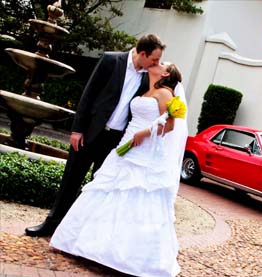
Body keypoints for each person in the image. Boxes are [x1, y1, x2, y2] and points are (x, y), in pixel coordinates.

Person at [50, 63, 187, 277]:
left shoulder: (165, 93)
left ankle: (125, 256)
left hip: (144, 149)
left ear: (166, 74)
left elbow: (170, 127)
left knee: (133, 192)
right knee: (108, 188)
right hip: (127, 142)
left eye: (162, 64)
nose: (158, 63)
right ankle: (89, 244)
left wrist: (145, 132)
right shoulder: (148, 88)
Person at [25, 34, 166, 237]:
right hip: (89, 133)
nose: (156, 64)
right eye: (154, 59)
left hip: (115, 140)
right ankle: (50, 225)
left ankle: (80, 234)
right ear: (142, 53)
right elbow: (89, 93)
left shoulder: (147, 76)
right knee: (71, 182)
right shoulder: (111, 60)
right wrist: (77, 130)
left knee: (98, 188)